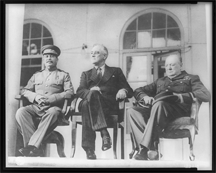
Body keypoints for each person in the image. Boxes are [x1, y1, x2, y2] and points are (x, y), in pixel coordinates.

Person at [127, 53, 211, 160]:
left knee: (159, 104)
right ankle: (151, 148)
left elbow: (205, 94)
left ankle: (144, 149)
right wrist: (145, 97)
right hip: (158, 111)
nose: (169, 68)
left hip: (177, 112)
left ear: (181, 65)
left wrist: (181, 97)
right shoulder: (160, 81)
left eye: (172, 65)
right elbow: (138, 90)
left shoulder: (190, 78)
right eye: (166, 66)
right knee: (132, 111)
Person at [76, 44, 133, 159]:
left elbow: (129, 90)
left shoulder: (115, 71)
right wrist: (92, 93)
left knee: (87, 105)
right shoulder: (86, 74)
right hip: (90, 103)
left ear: (105, 55)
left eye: (96, 52)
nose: (92, 54)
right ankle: (104, 134)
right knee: (89, 99)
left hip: (108, 106)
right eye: (91, 52)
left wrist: (123, 90)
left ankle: (89, 149)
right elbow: (80, 91)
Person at [15, 45, 74, 157]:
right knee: (21, 112)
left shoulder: (63, 75)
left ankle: (31, 147)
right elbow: (25, 90)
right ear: (43, 59)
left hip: (53, 109)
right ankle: (34, 147)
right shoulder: (36, 75)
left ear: (57, 59)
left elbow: (70, 92)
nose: (49, 58)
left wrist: (53, 98)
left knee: (53, 112)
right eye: (46, 56)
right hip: (37, 107)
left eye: (52, 56)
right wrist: (36, 96)